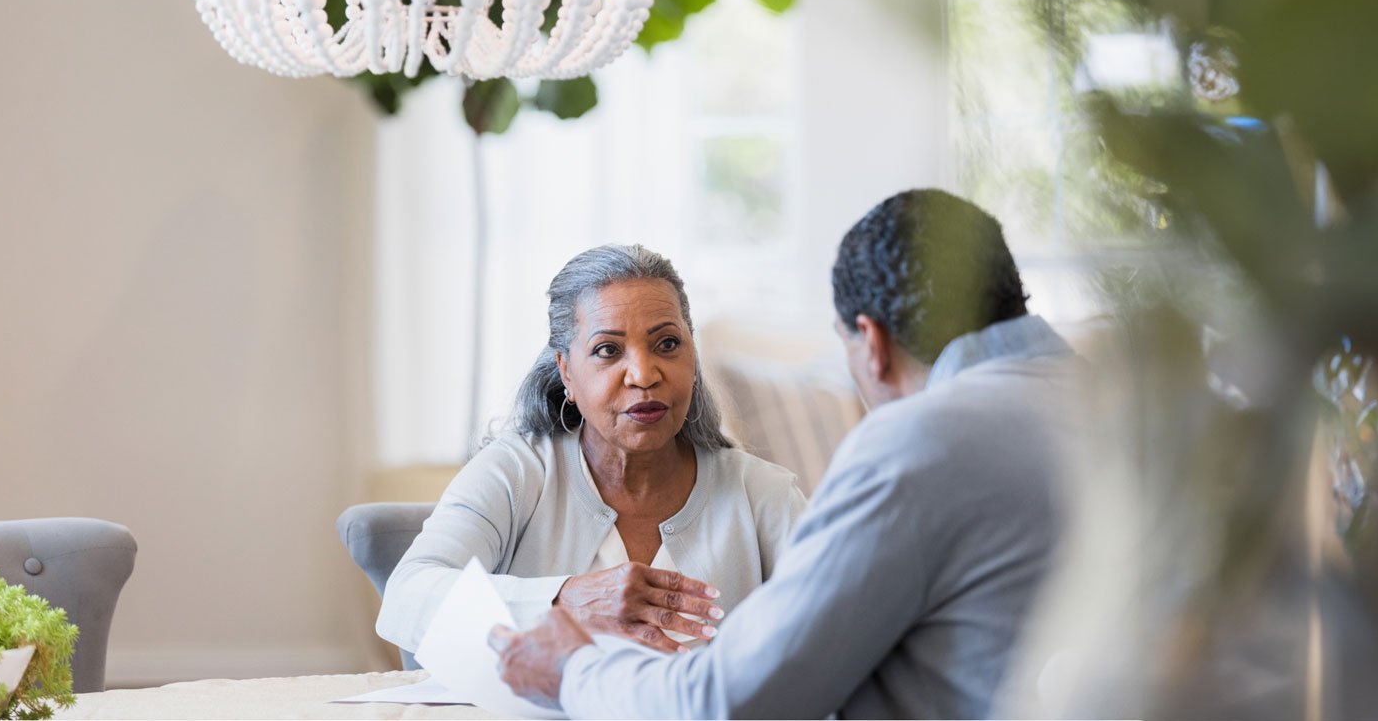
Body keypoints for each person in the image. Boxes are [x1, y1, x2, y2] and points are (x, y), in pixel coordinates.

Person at [490, 189, 1086, 718]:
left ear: (870, 343)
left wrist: (573, 669)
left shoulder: (915, 443)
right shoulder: (1124, 410)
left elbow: (730, 702)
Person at [377, 244, 806, 655]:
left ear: (693, 358)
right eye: (607, 350)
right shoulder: (516, 473)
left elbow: (829, 630)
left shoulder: (762, 492)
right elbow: (406, 598)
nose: (643, 374)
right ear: (566, 371)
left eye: (667, 344)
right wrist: (562, 601)